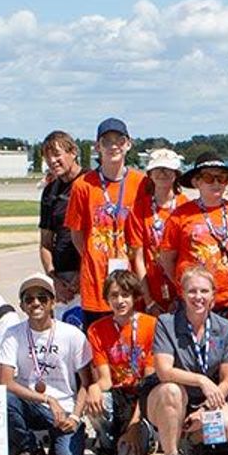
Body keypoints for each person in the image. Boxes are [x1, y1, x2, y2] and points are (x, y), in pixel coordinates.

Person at [146, 266, 228, 455]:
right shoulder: (166, 323)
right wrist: (201, 380)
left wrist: (206, 408)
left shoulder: (225, 327)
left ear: (213, 295)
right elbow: (164, 371)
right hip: (167, 397)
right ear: (182, 293)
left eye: (204, 291)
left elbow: (227, 378)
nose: (198, 297)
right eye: (192, 291)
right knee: (171, 390)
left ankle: (191, 441)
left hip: (203, 401)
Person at [0, 275, 92, 455]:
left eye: (42, 298)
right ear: (22, 306)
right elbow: (6, 382)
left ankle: (66, 435)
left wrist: (75, 416)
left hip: (65, 408)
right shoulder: (13, 334)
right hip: (31, 404)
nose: (36, 303)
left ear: (53, 302)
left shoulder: (72, 334)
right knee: (6, 398)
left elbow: (87, 382)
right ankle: (30, 448)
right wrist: (48, 399)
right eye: (29, 299)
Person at [64, 118, 148, 325]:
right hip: (96, 282)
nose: (113, 146)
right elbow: (77, 234)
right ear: (97, 147)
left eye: (119, 140)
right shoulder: (83, 185)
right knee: (99, 337)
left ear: (128, 144)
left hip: (131, 280)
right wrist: (94, 256)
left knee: (132, 337)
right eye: (106, 141)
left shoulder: (142, 183)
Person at [82, 269, 161, 455]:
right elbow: (105, 380)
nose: (120, 301)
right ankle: (108, 446)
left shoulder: (151, 325)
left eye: (125, 295)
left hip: (142, 399)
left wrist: (134, 425)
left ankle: (145, 436)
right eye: (114, 295)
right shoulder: (96, 330)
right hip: (118, 395)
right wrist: (94, 388)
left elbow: (148, 384)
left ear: (135, 297)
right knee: (95, 398)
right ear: (107, 299)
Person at [162, 153, 228, 306]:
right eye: (208, 178)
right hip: (195, 301)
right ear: (196, 182)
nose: (216, 183)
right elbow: (167, 258)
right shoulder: (180, 215)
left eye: (221, 178)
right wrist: (182, 285)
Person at [128, 148, 189, 312]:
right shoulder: (139, 209)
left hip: (182, 291)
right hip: (150, 288)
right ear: (150, 174)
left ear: (176, 173)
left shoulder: (186, 206)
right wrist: (149, 301)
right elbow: (138, 258)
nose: (162, 173)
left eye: (168, 169)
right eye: (158, 169)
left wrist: (183, 296)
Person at [34, 130, 83, 316]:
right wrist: (53, 278)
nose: (52, 161)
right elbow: (45, 243)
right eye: (47, 157)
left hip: (90, 274)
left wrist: (83, 274)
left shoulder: (91, 183)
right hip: (62, 279)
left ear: (73, 152)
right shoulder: (50, 192)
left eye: (56, 154)